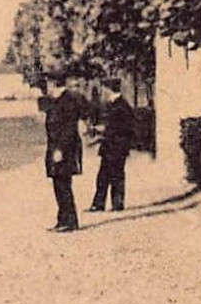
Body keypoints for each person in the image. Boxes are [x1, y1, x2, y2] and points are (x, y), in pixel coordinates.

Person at [40, 70, 86, 232]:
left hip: (64, 150)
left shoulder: (67, 101)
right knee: (59, 185)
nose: (47, 86)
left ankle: (70, 221)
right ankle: (63, 220)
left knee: (64, 185)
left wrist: (60, 150)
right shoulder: (58, 100)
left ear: (54, 84)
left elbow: (69, 129)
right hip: (57, 148)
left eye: (49, 83)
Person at [89, 77, 133, 212]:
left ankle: (117, 203)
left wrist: (102, 130)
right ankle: (99, 204)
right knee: (103, 175)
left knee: (116, 175)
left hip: (117, 147)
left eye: (104, 89)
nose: (103, 93)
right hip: (110, 147)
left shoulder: (121, 106)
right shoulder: (114, 104)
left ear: (108, 90)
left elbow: (122, 128)